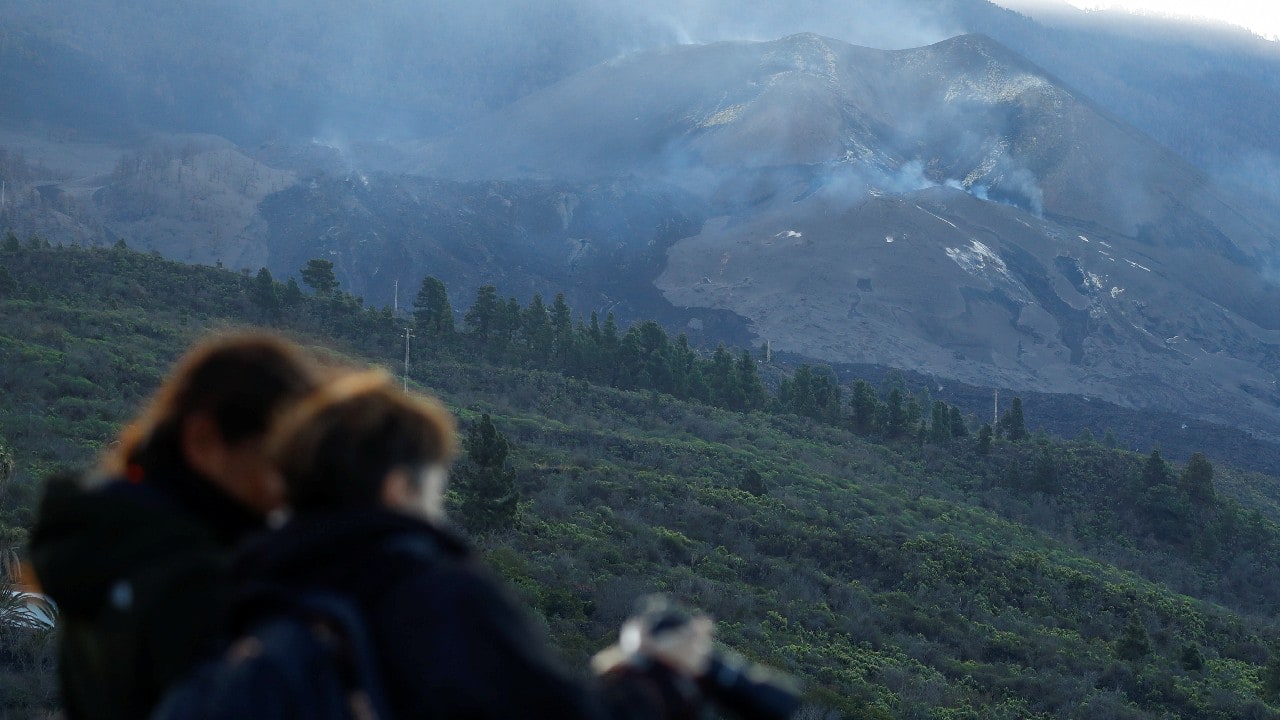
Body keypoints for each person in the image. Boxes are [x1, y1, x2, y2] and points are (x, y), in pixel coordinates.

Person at [227, 370, 714, 719]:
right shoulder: (434, 596)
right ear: (398, 487)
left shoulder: (248, 587)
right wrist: (653, 686)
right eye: (435, 487)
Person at [28, 332, 321, 720]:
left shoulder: (113, 544)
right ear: (203, 440)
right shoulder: (194, 576)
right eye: (277, 459)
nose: (288, 487)